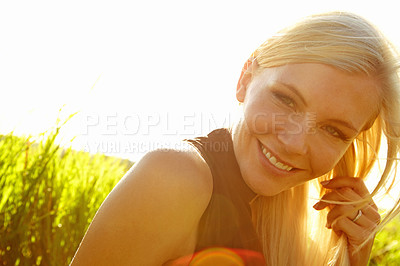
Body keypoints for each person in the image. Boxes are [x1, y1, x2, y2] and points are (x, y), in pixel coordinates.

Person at [70, 11, 400, 266]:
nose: (294, 143)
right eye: (286, 100)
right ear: (245, 79)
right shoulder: (175, 178)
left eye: (333, 130)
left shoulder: (294, 226)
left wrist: (351, 257)